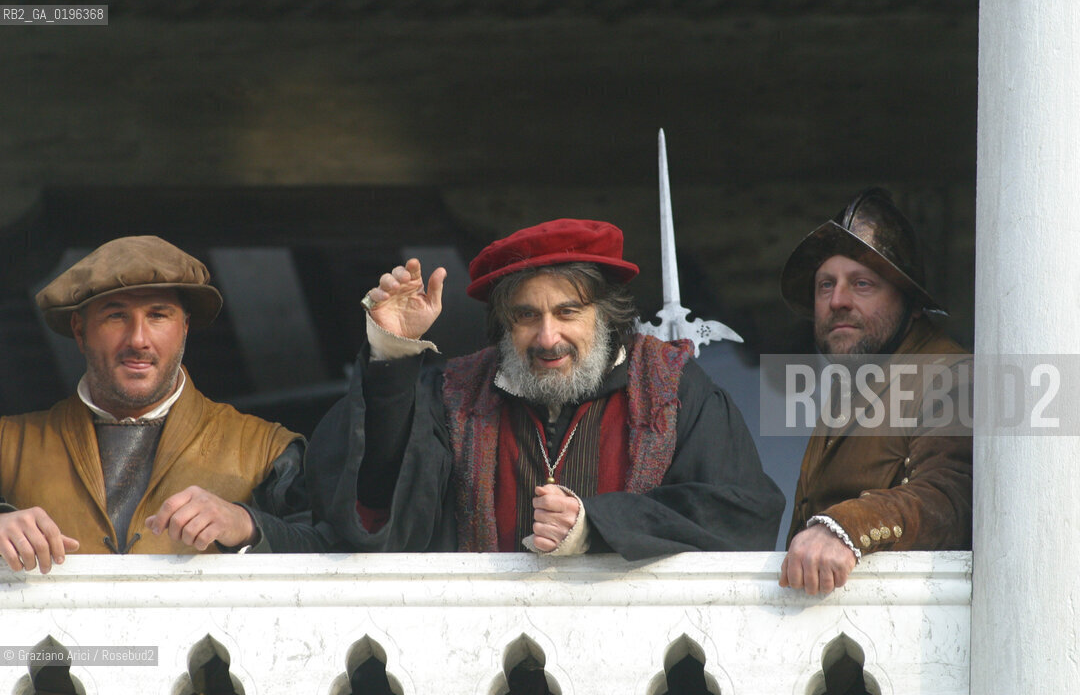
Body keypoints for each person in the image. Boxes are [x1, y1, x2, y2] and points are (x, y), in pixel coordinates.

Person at [305, 218, 784, 560]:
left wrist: (596, 525)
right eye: (526, 316)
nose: (548, 337)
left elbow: (742, 513)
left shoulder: (672, 387)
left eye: (568, 312)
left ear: (607, 315)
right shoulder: (455, 394)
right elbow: (380, 494)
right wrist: (394, 354)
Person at [0, 236, 329, 573]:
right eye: (116, 316)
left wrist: (247, 525)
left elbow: (334, 552)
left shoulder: (268, 449)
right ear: (80, 331)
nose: (138, 339)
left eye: (158, 315)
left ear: (184, 328)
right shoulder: (8, 442)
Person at [777, 187, 972, 595]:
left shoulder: (952, 373)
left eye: (862, 284)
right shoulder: (853, 378)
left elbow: (951, 496)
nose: (837, 301)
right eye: (825, 285)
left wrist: (846, 527)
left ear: (912, 303)